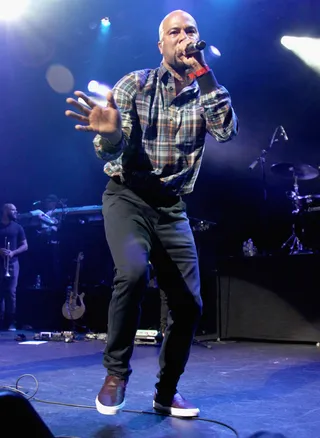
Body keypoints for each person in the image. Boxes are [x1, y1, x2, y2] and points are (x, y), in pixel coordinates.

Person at [65, 9, 238, 417]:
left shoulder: (206, 89)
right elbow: (111, 150)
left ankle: (166, 392)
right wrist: (110, 136)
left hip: (171, 206)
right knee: (134, 272)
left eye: (190, 30)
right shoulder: (135, 85)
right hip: (128, 195)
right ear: (160, 44)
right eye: (173, 32)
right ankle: (116, 374)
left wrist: (205, 76)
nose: (183, 37)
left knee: (190, 304)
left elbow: (227, 132)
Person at [0, 204, 28, 331]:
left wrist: (13, 252)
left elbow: (25, 246)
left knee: (11, 293)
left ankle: (10, 322)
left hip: (12, 263)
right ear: (5, 211)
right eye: (13, 210)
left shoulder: (18, 227)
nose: (16, 212)